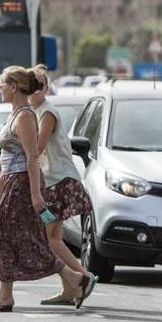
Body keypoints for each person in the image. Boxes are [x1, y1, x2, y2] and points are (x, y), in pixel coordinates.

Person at [0, 66, 96, 312]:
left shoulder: (25, 116)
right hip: (12, 182)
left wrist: (36, 194)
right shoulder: (15, 113)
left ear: (14, 87)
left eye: (2, 83)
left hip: (23, 184)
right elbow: (7, 157)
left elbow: (32, 157)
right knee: (10, 238)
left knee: (27, 239)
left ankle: (72, 278)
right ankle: (9, 295)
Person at [28, 65, 97, 307]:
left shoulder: (46, 112)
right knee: (54, 239)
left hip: (60, 181)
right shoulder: (34, 111)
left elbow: (37, 147)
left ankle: (83, 278)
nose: (36, 89)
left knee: (49, 241)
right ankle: (70, 290)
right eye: (32, 84)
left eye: (40, 85)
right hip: (54, 179)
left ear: (46, 88)